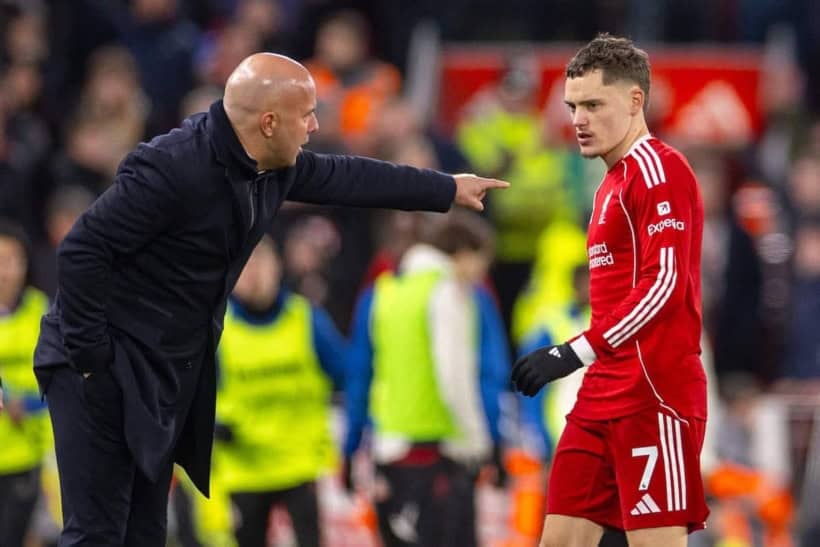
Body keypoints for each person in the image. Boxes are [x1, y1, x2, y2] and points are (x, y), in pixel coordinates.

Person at [32, 52, 507, 546]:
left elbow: (350, 178)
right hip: (102, 365)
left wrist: (445, 188)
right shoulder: (173, 166)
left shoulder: (270, 165)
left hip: (161, 371)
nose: (316, 125)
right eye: (306, 115)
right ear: (269, 122)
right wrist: (91, 359)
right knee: (97, 535)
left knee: (144, 533)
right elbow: (83, 248)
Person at [511, 34, 708, 547]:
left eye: (594, 105)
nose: (578, 119)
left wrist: (572, 351)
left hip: (653, 394)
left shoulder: (658, 170)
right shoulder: (609, 185)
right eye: (573, 106)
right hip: (603, 390)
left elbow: (664, 283)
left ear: (635, 102)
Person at [344, 210, 510, 547]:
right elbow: (459, 378)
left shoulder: (381, 294)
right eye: (480, 263)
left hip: (390, 450)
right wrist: (483, 442)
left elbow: (360, 376)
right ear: (462, 254)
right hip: (441, 452)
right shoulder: (450, 292)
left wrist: (350, 446)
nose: (480, 276)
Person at [213, 235, 348, 547]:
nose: (254, 275)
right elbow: (190, 395)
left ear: (278, 266)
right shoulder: (217, 329)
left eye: (261, 263)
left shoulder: (306, 319)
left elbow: (345, 375)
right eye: (244, 267)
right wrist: (212, 424)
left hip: (299, 465)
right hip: (244, 469)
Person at [0, 219, 52, 546]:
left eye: (10, 261)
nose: (3, 272)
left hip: (26, 455)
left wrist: (27, 403)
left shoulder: (41, 311)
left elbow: (61, 383)